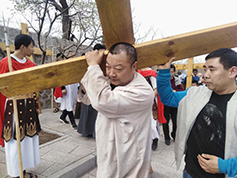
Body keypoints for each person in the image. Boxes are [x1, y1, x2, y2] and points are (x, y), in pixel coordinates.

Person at [157, 48, 237, 178]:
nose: (205, 75)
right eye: (205, 69)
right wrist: (164, 72)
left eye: (212, 69)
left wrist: (226, 166)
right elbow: (168, 98)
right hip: (190, 172)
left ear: (232, 72)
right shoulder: (195, 94)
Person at [79, 42, 154, 177]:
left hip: (129, 162)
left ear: (134, 66)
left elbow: (103, 101)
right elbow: (91, 99)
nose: (111, 73)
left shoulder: (142, 92)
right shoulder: (113, 82)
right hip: (108, 152)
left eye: (118, 69)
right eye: (107, 67)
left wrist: (93, 68)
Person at [0, 34, 40, 178]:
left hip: (28, 106)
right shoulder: (6, 63)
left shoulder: (31, 65)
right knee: (14, 140)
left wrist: (36, 104)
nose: (33, 49)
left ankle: (23, 170)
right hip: (13, 106)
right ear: (22, 47)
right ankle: (16, 174)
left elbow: (35, 87)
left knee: (27, 139)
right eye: (31, 46)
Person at [77, 44, 106, 137]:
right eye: (100, 52)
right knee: (88, 112)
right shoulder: (90, 64)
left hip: (100, 91)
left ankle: (95, 132)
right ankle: (86, 131)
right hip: (89, 91)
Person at [138, 67, 160, 151]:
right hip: (139, 101)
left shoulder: (151, 73)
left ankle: (155, 139)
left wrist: (149, 99)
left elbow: (156, 89)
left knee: (152, 122)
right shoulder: (137, 72)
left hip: (151, 101)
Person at [162, 64, 183, 146]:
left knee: (176, 121)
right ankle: (167, 138)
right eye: (168, 72)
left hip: (175, 104)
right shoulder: (164, 81)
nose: (170, 74)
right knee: (165, 122)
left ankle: (174, 135)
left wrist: (175, 91)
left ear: (174, 72)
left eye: (171, 72)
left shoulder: (177, 80)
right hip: (165, 104)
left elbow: (181, 90)